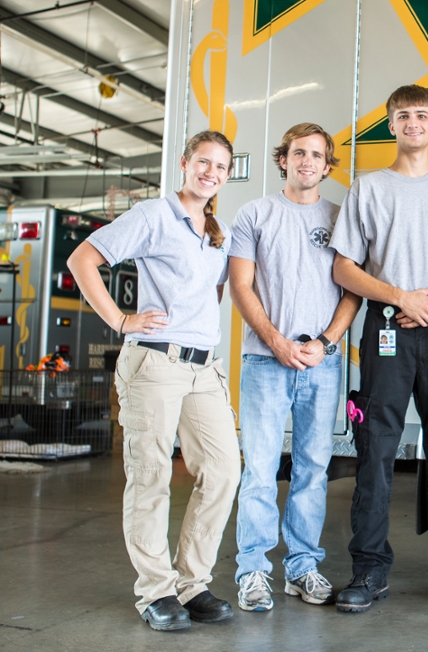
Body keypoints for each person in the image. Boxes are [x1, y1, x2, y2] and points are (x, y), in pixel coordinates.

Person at [66, 131, 241, 631]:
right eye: (202, 162)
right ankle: (155, 592)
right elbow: (83, 260)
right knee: (151, 476)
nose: (210, 172)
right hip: (155, 363)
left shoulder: (217, 230)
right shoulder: (152, 215)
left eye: (221, 167)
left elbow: (214, 293)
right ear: (184, 164)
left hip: (203, 368)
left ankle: (192, 583)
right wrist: (121, 321)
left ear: (227, 175)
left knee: (224, 470)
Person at [331, 85, 428, 613]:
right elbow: (345, 268)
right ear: (391, 125)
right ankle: (369, 571)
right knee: (376, 452)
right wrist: (400, 297)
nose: (413, 123)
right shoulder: (369, 188)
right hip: (385, 332)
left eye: (422, 115)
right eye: (403, 116)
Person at [229, 123, 361, 611]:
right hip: (266, 362)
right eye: (298, 153)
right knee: (260, 471)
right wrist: (276, 341)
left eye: (317, 155)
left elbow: (352, 290)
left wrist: (326, 343)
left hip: (321, 364)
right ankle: (253, 571)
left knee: (313, 472)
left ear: (328, 166)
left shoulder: (340, 218)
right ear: (283, 159)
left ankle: (303, 568)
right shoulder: (255, 214)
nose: (307, 161)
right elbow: (242, 286)